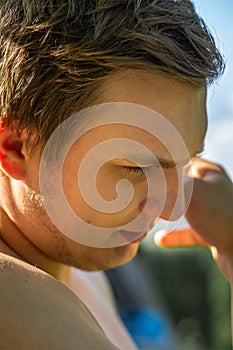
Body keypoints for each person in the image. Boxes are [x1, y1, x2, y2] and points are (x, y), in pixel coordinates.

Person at [0, 0, 232, 349]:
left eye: (184, 161)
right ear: (15, 147)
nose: (171, 211)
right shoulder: (19, 303)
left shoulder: (71, 273)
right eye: (135, 167)